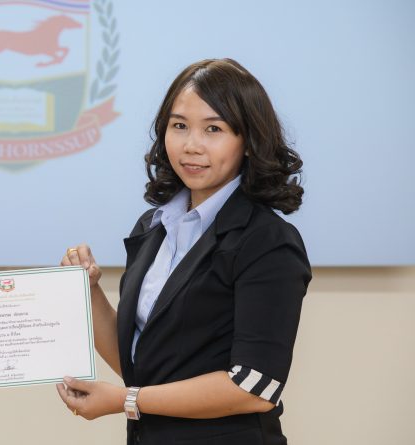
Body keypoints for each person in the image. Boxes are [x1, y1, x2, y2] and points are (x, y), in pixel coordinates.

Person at [56, 59, 311, 444]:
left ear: (248, 141)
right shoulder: (153, 225)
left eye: (214, 129)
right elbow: (142, 363)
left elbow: (255, 387)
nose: (191, 145)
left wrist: (127, 400)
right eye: (179, 126)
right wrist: (88, 291)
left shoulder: (268, 241)